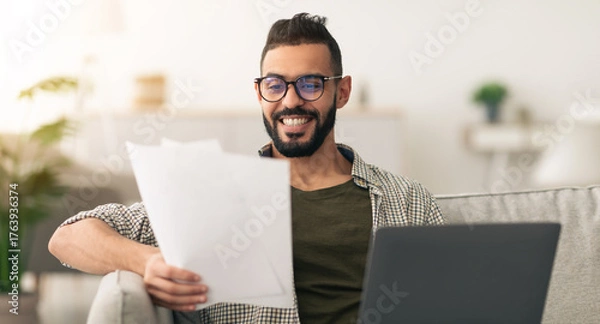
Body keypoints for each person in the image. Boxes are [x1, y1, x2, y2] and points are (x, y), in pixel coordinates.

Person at [49, 12, 444, 323]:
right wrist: (147, 261)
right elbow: (68, 237)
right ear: (259, 92)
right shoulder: (214, 193)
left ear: (341, 92)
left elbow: (451, 297)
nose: (291, 101)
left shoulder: (407, 201)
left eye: (310, 84)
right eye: (275, 84)